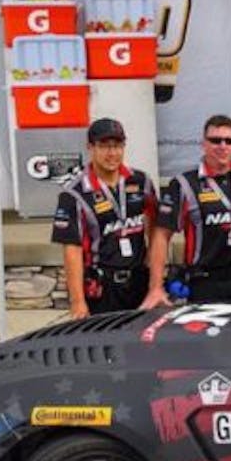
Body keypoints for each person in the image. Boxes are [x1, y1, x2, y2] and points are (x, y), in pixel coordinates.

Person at [143, 114, 231, 306]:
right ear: (204, 144)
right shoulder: (184, 183)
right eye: (215, 140)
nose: (223, 146)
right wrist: (155, 287)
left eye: (229, 140)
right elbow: (160, 235)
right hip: (205, 281)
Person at [51, 118, 157, 318]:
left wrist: (153, 259)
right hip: (102, 287)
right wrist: (77, 301)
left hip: (140, 281)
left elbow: (156, 222)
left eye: (118, 146)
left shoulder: (142, 181)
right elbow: (71, 251)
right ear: (90, 147)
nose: (112, 153)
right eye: (105, 146)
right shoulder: (73, 194)